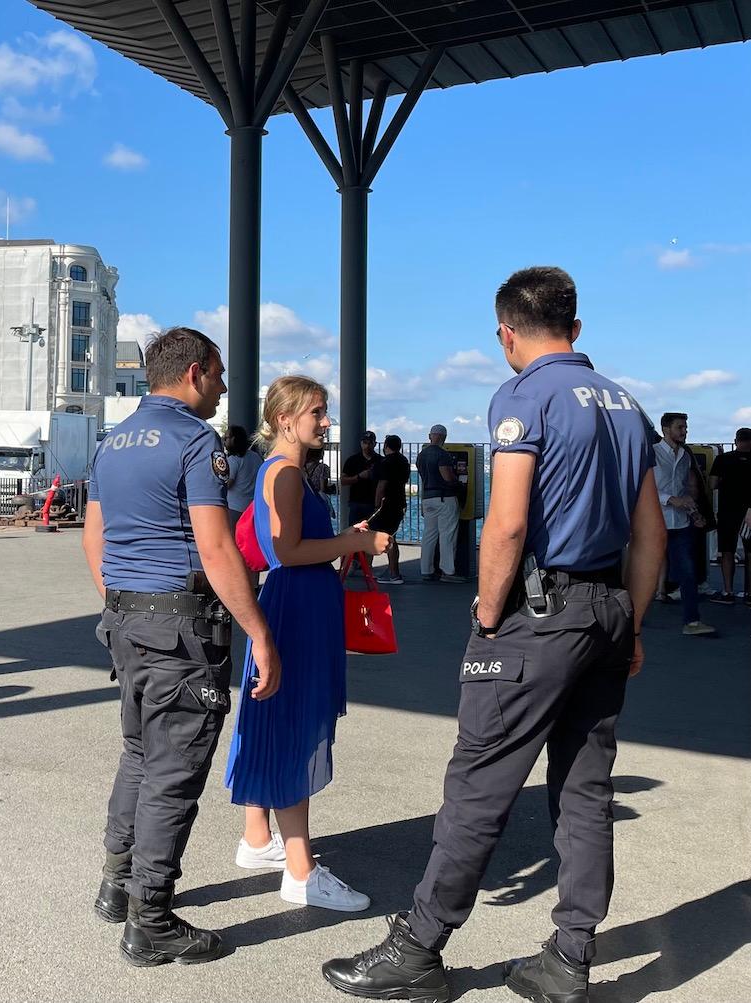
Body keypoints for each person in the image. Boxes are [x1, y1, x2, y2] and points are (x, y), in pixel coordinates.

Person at [323, 266, 667, 1003]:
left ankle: (419, 947)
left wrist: (486, 611)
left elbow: (507, 520)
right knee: (583, 789)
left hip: (538, 617)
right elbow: (650, 534)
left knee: (478, 786)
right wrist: (631, 621)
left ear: (506, 334)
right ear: (575, 328)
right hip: (607, 608)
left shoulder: (523, 394)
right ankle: (568, 959)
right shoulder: (627, 406)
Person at [82, 326, 280, 968]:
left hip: (127, 621)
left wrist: (123, 604)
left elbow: (96, 538)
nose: (223, 389)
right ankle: (152, 919)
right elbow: (217, 547)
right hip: (181, 630)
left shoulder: (111, 442)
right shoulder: (194, 442)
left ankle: (118, 883)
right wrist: (258, 632)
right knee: (174, 772)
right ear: (194, 373)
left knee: (139, 753)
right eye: (219, 375)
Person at [225, 376, 390, 913]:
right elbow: (288, 550)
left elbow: (284, 547)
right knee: (296, 724)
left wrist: (343, 539)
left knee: (273, 717)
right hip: (301, 603)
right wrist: (356, 541)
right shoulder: (289, 473)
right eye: (317, 412)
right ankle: (301, 872)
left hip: (292, 602)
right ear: (286, 418)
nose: (325, 421)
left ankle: (257, 838)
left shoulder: (275, 469)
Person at [654, 412, 716, 636]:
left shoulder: (685, 456)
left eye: (685, 427)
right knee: (642, 572)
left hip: (680, 523)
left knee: (688, 572)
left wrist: (694, 513)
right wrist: (670, 500)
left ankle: (692, 622)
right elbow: (644, 487)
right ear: (666, 429)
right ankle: (627, 621)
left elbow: (684, 491)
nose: (684, 431)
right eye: (680, 427)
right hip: (653, 521)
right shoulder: (650, 454)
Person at [709, 427, 751, 604]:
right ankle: (750, 594)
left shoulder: (723, 459)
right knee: (750, 553)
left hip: (728, 510)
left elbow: (712, 484)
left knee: (727, 551)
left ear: (736, 441)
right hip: (750, 512)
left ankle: (728, 592)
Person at [417, 424, 463, 583]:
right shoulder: (443, 455)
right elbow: (447, 477)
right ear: (444, 437)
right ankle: (448, 571)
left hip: (428, 498)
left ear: (430, 436)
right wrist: (458, 483)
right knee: (447, 534)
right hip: (444, 498)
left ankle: (426, 570)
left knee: (429, 535)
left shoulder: (421, 455)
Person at [370, 434, 412, 584]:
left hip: (385, 504)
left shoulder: (385, 462)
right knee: (391, 536)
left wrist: (376, 505)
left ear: (386, 446)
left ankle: (381, 572)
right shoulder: (404, 461)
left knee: (372, 536)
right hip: (399, 502)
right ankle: (394, 571)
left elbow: (382, 485)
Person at [340, 430, 380, 527]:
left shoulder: (381, 461)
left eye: (370, 443)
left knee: (373, 534)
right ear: (361, 443)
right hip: (356, 503)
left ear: (375, 444)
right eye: (365, 443)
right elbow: (343, 481)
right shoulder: (352, 460)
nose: (367, 446)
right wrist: (359, 476)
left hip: (373, 504)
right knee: (354, 533)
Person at [223, 425, 262, 527]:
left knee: (233, 540)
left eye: (226, 438)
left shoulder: (233, 460)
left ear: (234, 439)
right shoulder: (256, 457)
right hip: (252, 509)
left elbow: (227, 484)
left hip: (234, 509)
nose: (224, 441)